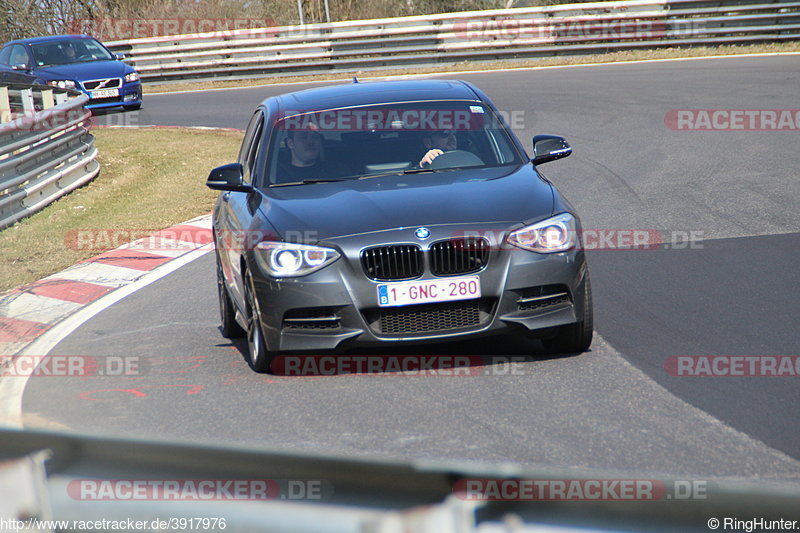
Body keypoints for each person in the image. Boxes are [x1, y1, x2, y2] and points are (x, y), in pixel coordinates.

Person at [276, 129, 342, 182]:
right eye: (304, 137)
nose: (311, 142)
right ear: (290, 143)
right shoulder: (277, 177)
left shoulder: (336, 170)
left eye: (315, 137)